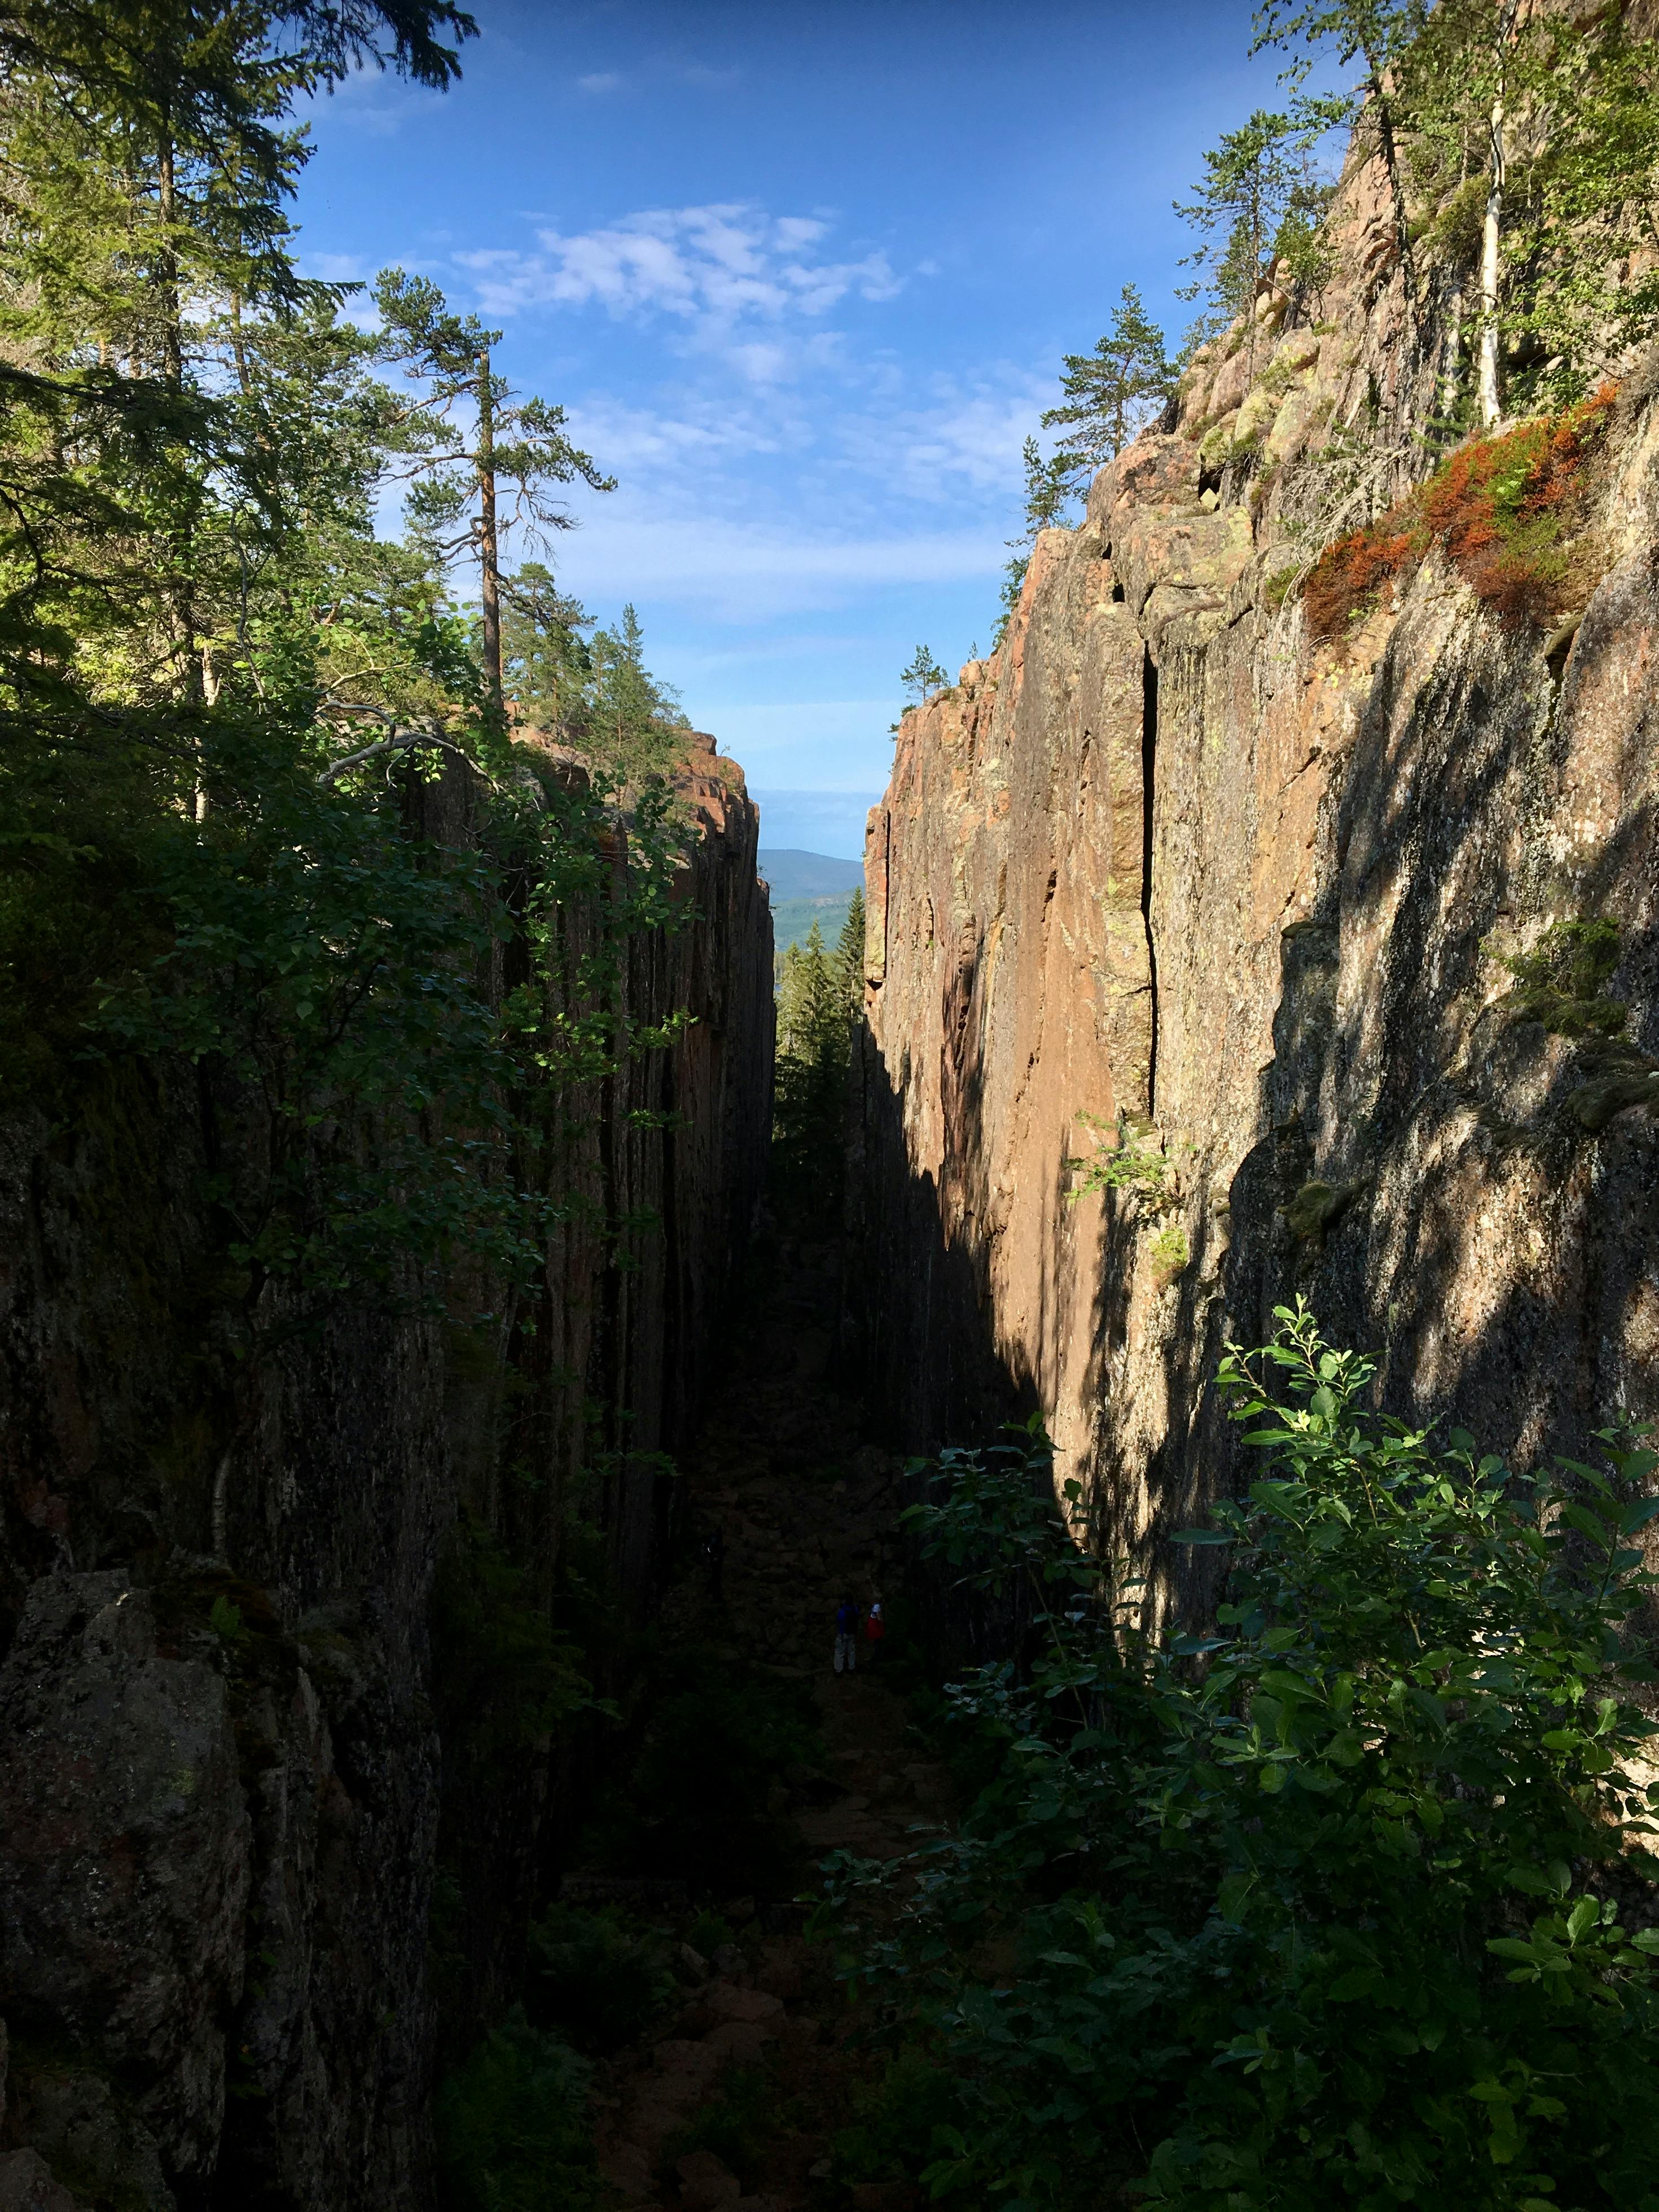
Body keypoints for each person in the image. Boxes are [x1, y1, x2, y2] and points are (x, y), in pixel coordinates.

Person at [833, 1596, 858, 1674]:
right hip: (852, 1633)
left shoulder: (842, 1611)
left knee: (839, 1652)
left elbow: (838, 1620)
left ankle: (839, 1670)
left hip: (842, 1634)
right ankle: (851, 1667)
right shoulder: (855, 1609)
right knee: (851, 1651)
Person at [863, 1597, 885, 1667]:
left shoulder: (875, 1606)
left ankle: (875, 1658)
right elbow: (879, 1618)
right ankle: (876, 1658)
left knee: (876, 1643)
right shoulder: (877, 1607)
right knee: (877, 1643)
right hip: (875, 1628)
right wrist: (882, 1621)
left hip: (874, 1627)